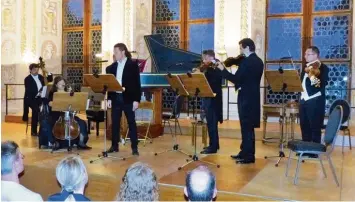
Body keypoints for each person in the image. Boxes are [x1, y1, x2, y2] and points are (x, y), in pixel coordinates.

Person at [217, 38, 264, 164]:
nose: (240, 51)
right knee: (248, 127)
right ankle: (245, 152)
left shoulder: (247, 62)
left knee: (246, 127)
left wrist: (223, 70)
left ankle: (248, 156)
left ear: (247, 47)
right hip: (253, 97)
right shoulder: (259, 61)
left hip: (245, 98)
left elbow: (236, 79)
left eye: (241, 48)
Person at [106, 43, 141, 155]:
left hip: (129, 98)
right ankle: (114, 146)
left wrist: (136, 100)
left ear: (123, 52)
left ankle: (134, 148)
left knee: (131, 122)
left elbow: (137, 84)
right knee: (115, 123)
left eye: (116, 52)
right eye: (114, 52)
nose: (114, 54)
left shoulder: (132, 65)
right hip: (116, 98)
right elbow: (110, 84)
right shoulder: (113, 67)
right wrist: (110, 98)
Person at [43, 76, 91, 150]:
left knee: (82, 122)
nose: (62, 84)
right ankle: (56, 142)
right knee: (50, 123)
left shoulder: (68, 92)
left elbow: (74, 104)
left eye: (63, 83)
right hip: (57, 115)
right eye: (60, 83)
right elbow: (48, 102)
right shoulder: (53, 93)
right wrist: (52, 102)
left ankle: (81, 142)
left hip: (69, 114)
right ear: (56, 85)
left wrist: (71, 94)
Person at [299, 46, 329, 158]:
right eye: (305, 54)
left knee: (315, 127)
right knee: (304, 125)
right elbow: (303, 84)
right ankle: (305, 149)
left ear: (316, 55)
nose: (305, 56)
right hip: (304, 100)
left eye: (308, 54)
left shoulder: (323, 68)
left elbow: (319, 86)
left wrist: (311, 73)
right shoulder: (305, 68)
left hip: (315, 101)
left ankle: (315, 151)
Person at [193, 50, 223, 154]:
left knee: (212, 123)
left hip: (214, 99)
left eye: (205, 59)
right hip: (208, 97)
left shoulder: (216, 66)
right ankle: (214, 144)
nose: (203, 61)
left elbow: (214, 80)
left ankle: (213, 147)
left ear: (211, 58)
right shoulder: (208, 68)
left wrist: (202, 73)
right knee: (210, 122)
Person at [23, 63, 53, 136]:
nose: (36, 71)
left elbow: (50, 79)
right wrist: (40, 91)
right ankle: (33, 131)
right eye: (34, 70)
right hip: (31, 99)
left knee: (49, 106)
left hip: (40, 98)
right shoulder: (27, 79)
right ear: (30, 70)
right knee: (36, 110)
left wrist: (47, 71)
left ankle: (45, 129)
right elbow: (30, 90)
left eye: (37, 70)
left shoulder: (40, 76)